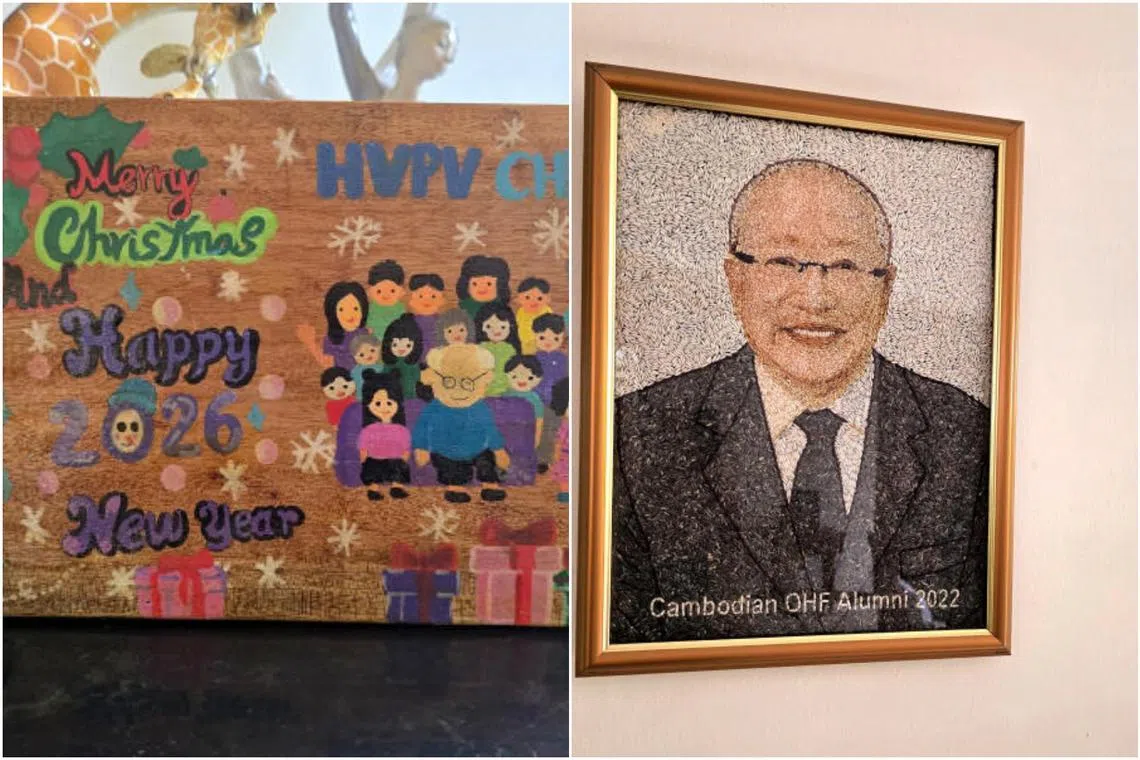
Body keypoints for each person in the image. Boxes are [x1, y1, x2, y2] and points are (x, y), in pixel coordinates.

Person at [611, 159, 990, 644]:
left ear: (886, 287)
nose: (814, 299)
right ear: (735, 279)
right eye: (784, 264)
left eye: (846, 266)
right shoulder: (637, 436)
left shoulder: (964, 432)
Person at [414, 343, 510, 504]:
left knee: (487, 462)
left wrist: (499, 450)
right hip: (446, 451)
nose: (459, 390)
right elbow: (422, 428)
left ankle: (490, 484)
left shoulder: (480, 407)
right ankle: (455, 487)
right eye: (449, 381)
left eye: (467, 383)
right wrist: (421, 448)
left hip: (478, 448)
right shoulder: (434, 408)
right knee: (452, 469)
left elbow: (490, 429)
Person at [357, 370, 411, 501]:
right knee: (372, 471)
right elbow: (363, 446)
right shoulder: (369, 429)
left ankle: (396, 487)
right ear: (368, 405)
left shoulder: (400, 429)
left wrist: (404, 458)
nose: (384, 408)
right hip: (375, 458)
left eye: (389, 403)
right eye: (377, 403)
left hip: (395, 459)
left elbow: (406, 446)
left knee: (398, 469)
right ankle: (373, 489)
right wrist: (364, 459)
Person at [365, 260, 407, 341]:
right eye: (379, 291)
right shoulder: (369, 310)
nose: (385, 296)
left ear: (402, 291)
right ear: (369, 292)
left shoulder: (400, 309)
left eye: (392, 291)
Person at [515, 277, 553, 355]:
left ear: (548, 299)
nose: (533, 302)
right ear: (519, 299)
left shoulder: (547, 313)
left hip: (539, 346)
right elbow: (517, 325)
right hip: (522, 344)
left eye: (539, 298)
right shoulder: (521, 311)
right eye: (527, 298)